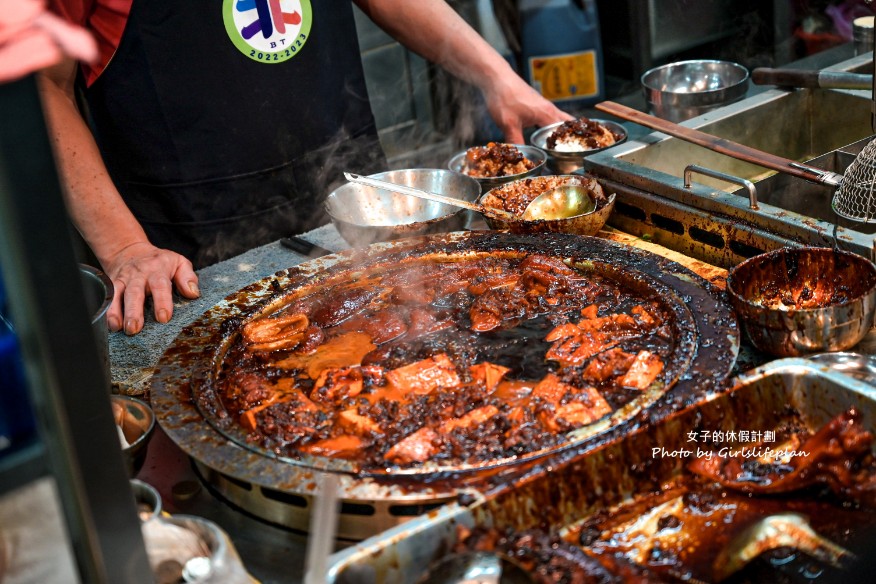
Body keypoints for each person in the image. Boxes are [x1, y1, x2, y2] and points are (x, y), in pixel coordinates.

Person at [40, 0, 572, 335]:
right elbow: (39, 83)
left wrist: (495, 76)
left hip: (352, 208)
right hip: (187, 242)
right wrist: (124, 248)